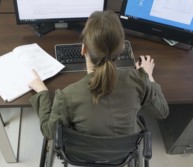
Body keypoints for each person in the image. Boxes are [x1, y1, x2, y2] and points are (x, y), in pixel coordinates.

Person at [28, 10, 169, 139]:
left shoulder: (66, 97)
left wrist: (42, 93)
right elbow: (162, 112)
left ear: (83, 49)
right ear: (121, 50)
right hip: (122, 153)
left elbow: (49, 132)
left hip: (82, 153)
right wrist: (148, 76)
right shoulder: (139, 81)